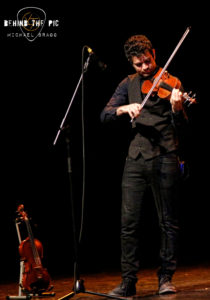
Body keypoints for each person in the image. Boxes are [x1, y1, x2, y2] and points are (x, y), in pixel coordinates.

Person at [100, 34, 189, 297]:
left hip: (165, 155)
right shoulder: (128, 84)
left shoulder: (171, 82)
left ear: (153, 53)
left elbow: (183, 125)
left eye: (147, 62)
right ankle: (128, 282)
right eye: (138, 65)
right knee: (129, 223)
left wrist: (176, 107)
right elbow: (104, 115)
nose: (145, 68)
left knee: (168, 221)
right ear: (132, 63)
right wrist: (123, 109)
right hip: (136, 159)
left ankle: (166, 278)